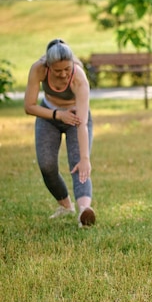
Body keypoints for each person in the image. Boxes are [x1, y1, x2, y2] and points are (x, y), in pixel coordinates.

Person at [24, 39, 96, 227]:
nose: (64, 74)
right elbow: (29, 106)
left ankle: (84, 213)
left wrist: (85, 157)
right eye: (58, 71)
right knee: (47, 165)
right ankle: (65, 206)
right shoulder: (38, 69)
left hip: (76, 118)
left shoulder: (79, 77)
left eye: (67, 69)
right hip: (49, 115)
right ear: (48, 66)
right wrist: (58, 115)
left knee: (78, 163)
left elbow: (82, 123)